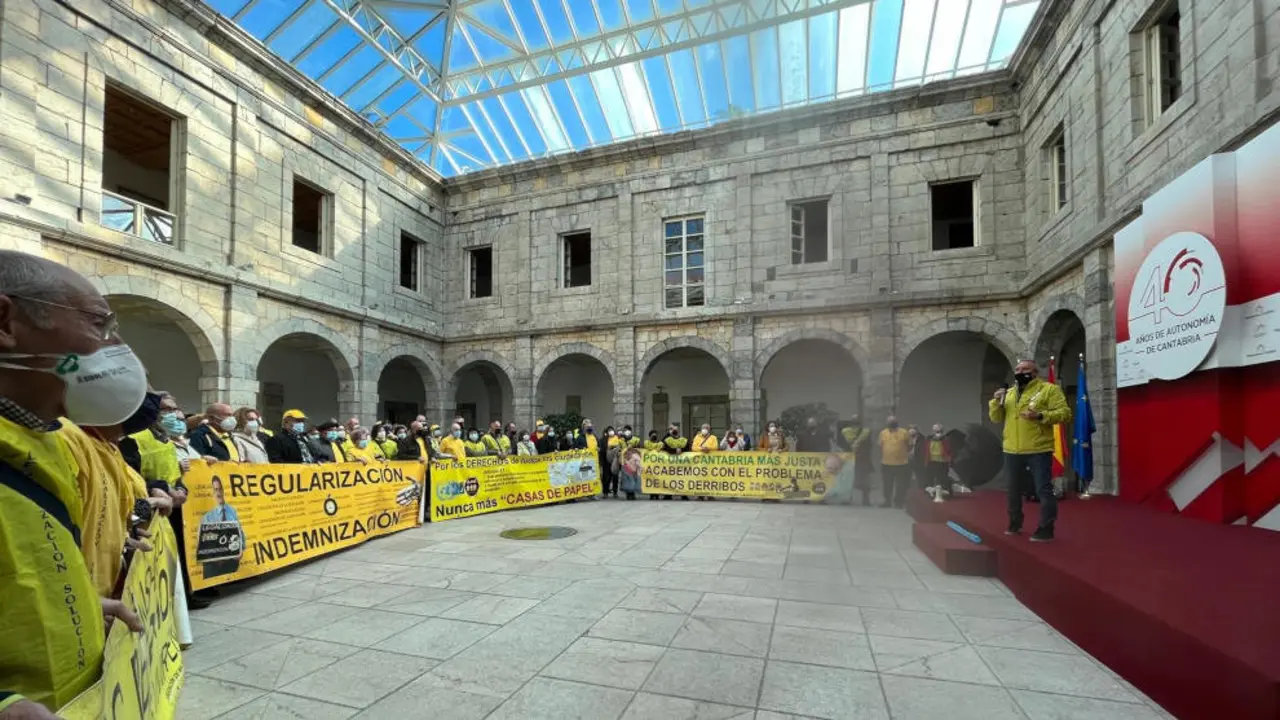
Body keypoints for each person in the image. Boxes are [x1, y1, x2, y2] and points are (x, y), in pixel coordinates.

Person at [0, 250, 145, 716]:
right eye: (97, 323)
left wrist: (81, 605)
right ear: (5, 322)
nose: (115, 343)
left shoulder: (43, 441)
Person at [991, 359, 1071, 542]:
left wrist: (1040, 416)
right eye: (1017, 369)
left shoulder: (1048, 389)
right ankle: (1014, 523)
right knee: (1012, 489)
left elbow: (1065, 413)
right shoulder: (1009, 393)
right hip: (1012, 449)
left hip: (1038, 448)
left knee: (1043, 488)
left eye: (1025, 369)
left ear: (1035, 372)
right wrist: (996, 402)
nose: (1020, 372)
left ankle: (1046, 528)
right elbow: (996, 418)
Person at [197, 476, 244, 578]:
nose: (218, 493)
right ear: (212, 492)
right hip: (213, 566)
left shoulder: (232, 511)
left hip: (231, 562)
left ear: (223, 490)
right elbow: (203, 546)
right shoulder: (207, 517)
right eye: (215, 490)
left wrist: (241, 550)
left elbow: (241, 535)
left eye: (220, 489)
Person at [878, 415, 912, 508]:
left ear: (897, 422)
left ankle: (898, 502)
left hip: (901, 463)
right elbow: (880, 446)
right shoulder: (883, 433)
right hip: (886, 463)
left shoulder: (904, 432)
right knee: (887, 484)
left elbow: (910, 445)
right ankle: (887, 501)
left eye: (893, 421)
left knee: (900, 484)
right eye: (889, 421)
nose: (891, 423)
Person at [917, 423, 954, 501]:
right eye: (936, 431)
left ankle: (945, 493)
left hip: (942, 462)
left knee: (943, 478)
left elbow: (949, 450)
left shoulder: (946, 439)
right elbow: (925, 450)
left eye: (939, 431)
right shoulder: (929, 439)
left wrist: (949, 458)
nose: (938, 433)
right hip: (931, 461)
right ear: (933, 431)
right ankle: (932, 493)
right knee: (930, 478)